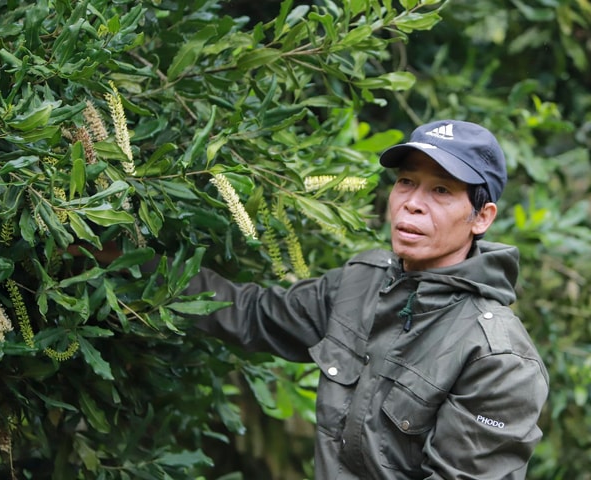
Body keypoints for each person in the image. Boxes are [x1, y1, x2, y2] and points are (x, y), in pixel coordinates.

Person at [185, 119, 549, 479]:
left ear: (481, 218)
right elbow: (252, 314)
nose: (413, 204)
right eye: (406, 182)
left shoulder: (498, 358)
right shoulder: (360, 283)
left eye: (441, 191)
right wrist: (141, 267)